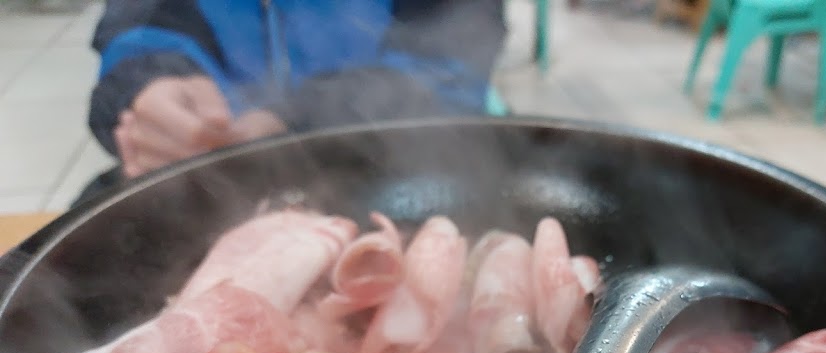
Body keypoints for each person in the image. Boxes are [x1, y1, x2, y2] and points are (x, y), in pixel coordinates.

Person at [76, 0, 507, 204]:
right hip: (222, 184)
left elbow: (448, 71)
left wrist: (292, 117)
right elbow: (142, 26)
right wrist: (150, 83)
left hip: (394, 172)